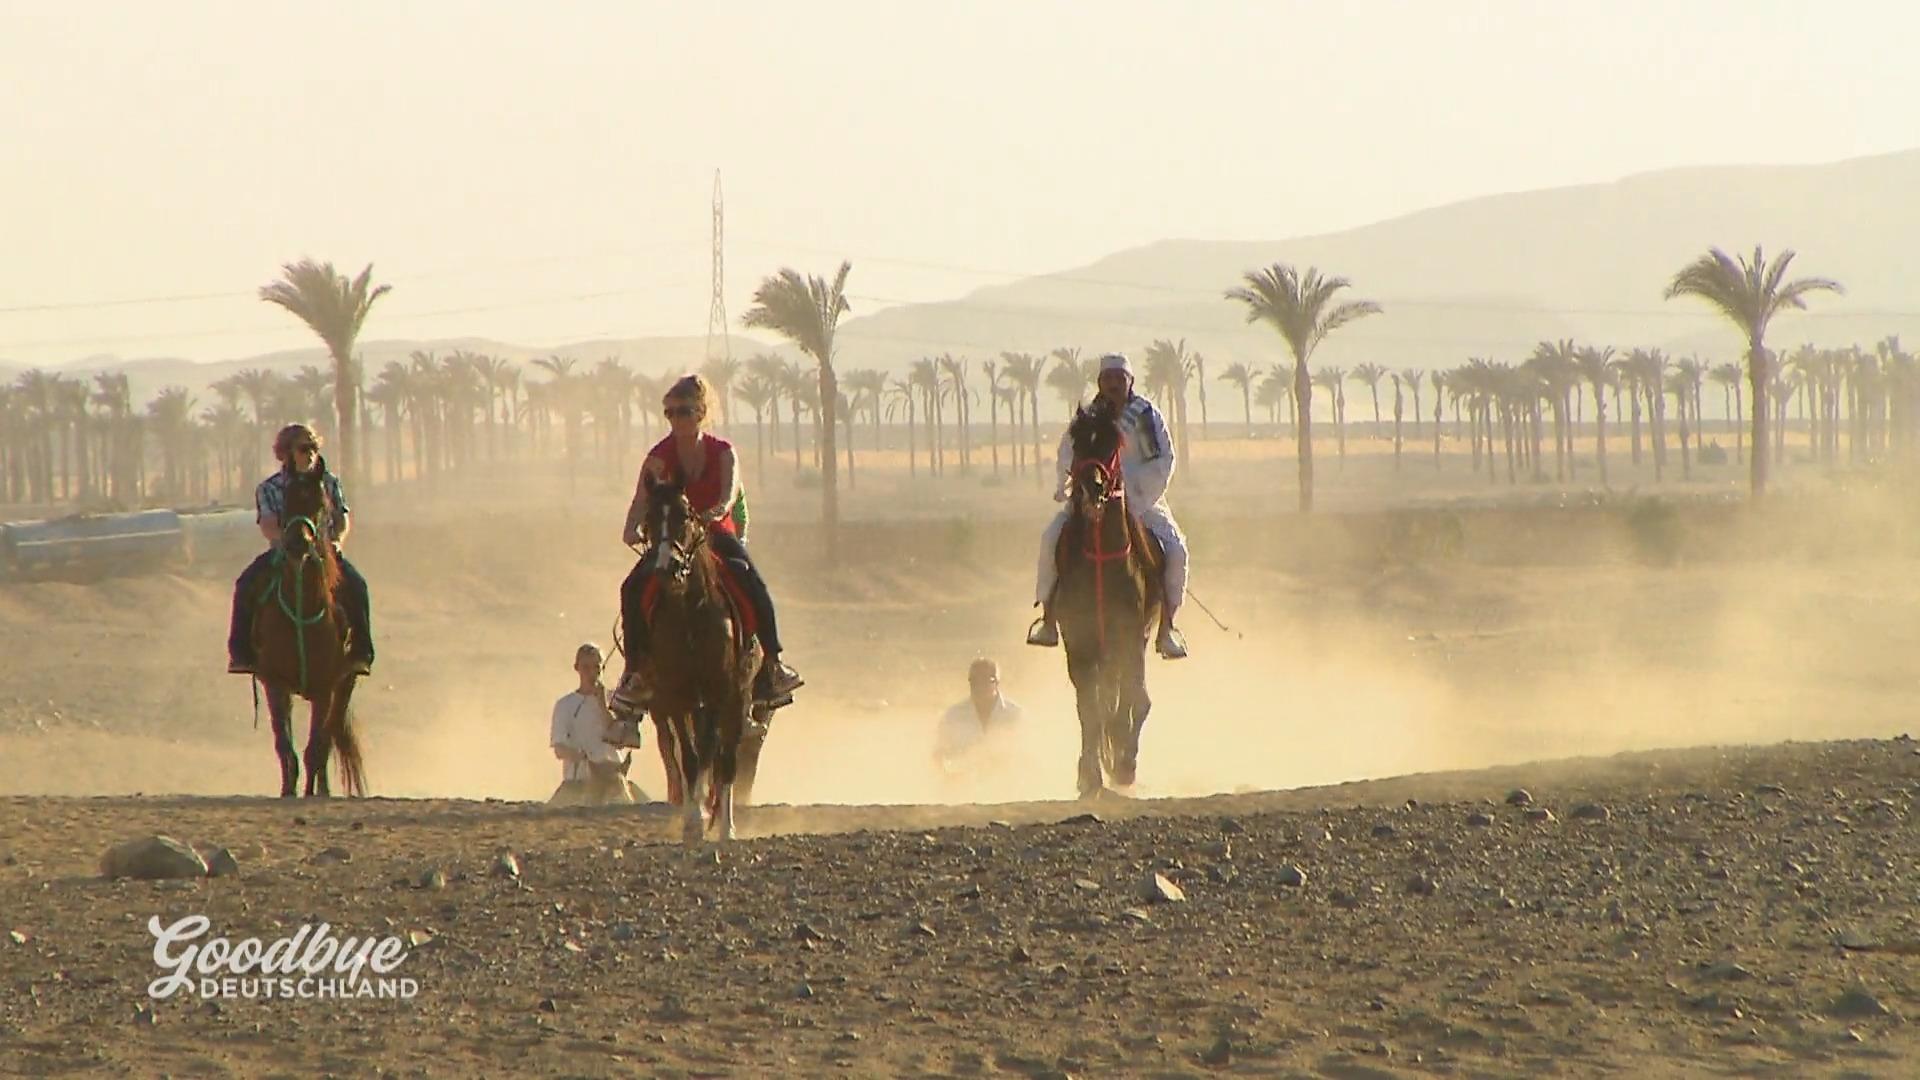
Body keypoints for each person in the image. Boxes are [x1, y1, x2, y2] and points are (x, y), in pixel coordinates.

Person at [611, 373, 803, 714]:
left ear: (700, 412)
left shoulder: (723, 451)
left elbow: (729, 493)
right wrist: (630, 527)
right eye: (668, 412)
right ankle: (635, 674)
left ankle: (772, 664)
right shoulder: (657, 457)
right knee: (632, 588)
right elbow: (640, 500)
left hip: (715, 534)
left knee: (749, 579)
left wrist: (715, 512)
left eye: (682, 411)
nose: (674, 418)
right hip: (672, 537)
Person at [1027, 352, 1191, 659]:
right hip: (1090, 499)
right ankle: (1048, 620)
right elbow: (1067, 453)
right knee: (1050, 539)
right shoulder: (1087, 418)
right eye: (1108, 379)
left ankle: (1167, 628)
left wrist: (1133, 495)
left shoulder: (1146, 416)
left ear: (1130, 381)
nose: (1114, 384)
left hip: (1143, 502)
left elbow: (1163, 460)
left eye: (1120, 378)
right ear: (1100, 382)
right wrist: (1073, 487)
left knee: (1176, 550)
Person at [227, 423, 375, 676]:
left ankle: (361, 652)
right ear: (286, 453)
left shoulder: (329, 483)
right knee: (245, 583)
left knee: (357, 585)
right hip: (284, 551)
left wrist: (337, 541)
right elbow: (268, 523)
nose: (310, 454)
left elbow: (342, 518)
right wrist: (282, 542)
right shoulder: (269, 488)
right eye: (304, 448)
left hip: (324, 553)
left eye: (314, 447)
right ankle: (242, 653)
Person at [549, 642, 638, 806]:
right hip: (579, 782)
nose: (592, 673)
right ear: (577, 668)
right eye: (586, 667)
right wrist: (585, 759)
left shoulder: (615, 700)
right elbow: (559, 749)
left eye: (596, 667)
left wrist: (602, 704)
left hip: (615, 780)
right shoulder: (565, 705)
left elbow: (621, 740)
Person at [934, 658, 1023, 773]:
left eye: (986, 681)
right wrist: (947, 777)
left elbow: (1028, 756)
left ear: (997, 683)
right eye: (975, 682)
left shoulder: (1015, 716)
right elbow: (937, 754)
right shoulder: (953, 717)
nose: (980, 687)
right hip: (964, 785)